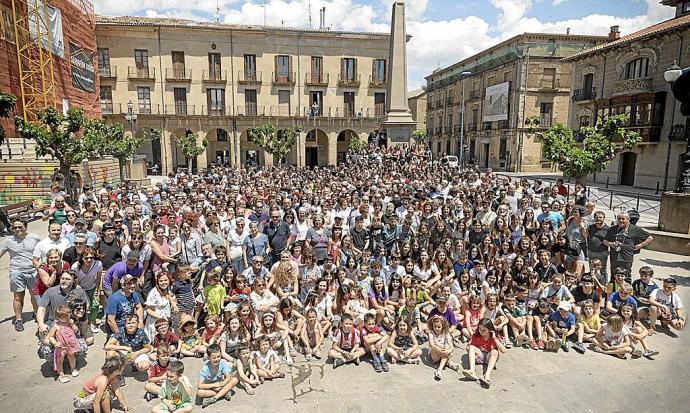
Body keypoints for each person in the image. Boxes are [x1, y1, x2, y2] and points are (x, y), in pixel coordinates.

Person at [0, 219, 42, 331]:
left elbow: (42, 252)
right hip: (16, 271)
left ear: (26, 226)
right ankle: (18, 320)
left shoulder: (35, 238)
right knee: (18, 297)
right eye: (14, 228)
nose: (17, 229)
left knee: (35, 295)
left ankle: (37, 314)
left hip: (33, 271)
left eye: (20, 227)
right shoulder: (8, 241)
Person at [603, 211, 653, 279]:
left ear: (628, 219)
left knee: (626, 276)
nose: (621, 220)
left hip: (626, 258)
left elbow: (650, 238)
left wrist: (640, 245)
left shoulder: (635, 229)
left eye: (623, 219)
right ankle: (614, 289)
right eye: (619, 219)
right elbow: (605, 241)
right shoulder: (613, 229)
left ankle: (626, 289)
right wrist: (611, 244)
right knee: (614, 275)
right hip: (615, 257)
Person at [462, 318, 506, 388]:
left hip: (490, 358)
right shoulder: (476, 335)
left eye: (484, 330)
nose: (481, 331)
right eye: (480, 329)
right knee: (471, 347)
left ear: (490, 329)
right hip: (481, 355)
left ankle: (487, 376)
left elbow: (503, 350)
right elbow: (469, 348)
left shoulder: (494, 336)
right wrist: (470, 348)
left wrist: (494, 338)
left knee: (495, 352)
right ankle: (472, 371)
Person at [45, 304, 81, 383]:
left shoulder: (69, 324)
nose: (68, 318)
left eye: (69, 316)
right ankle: (61, 374)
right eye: (66, 317)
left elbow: (76, 330)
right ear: (59, 317)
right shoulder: (56, 326)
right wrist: (55, 343)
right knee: (59, 360)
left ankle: (73, 368)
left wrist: (72, 324)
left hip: (70, 345)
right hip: (61, 347)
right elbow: (51, 336)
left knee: (72, 356)